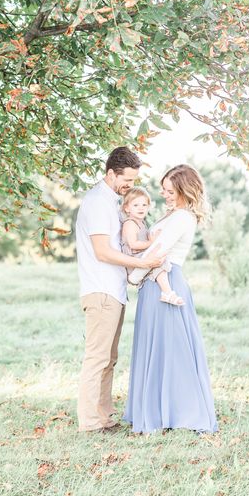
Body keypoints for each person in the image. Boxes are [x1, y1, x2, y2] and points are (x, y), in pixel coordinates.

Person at [75, 146, 164, 433]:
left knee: (109, 360)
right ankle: (90, 424)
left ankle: (105, 419)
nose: (131, 186)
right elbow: (103, 252)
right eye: (127, 179)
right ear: (111, 173)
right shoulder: (98, 203)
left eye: (134, 180)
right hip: (100, 291)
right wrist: (146, 261)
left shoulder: (112, 202)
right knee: (97, 359)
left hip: (113, 291)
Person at [123, 164, 218, 434]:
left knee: (172, 347)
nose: (164, 195)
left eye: (169, 191)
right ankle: (156, 408)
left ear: (183, 190)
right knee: (156, 345)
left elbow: (157, 250)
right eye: (163, 190)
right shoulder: (172, 214)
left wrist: (133, 277)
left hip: (165, 279)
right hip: (154, 281)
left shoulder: (182, 218)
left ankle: (179, 412)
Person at [120, 186, 185, 306]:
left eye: (144, 205)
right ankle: (167, 292)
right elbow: (133, 245)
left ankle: (166, 291)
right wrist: (152, 243)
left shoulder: (141, 223)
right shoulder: (130, 223)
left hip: (139, 256)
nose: (141, 208)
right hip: (133, 260)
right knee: (157, 260)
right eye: (136, 205)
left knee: (159, 260)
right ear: (127, 208)